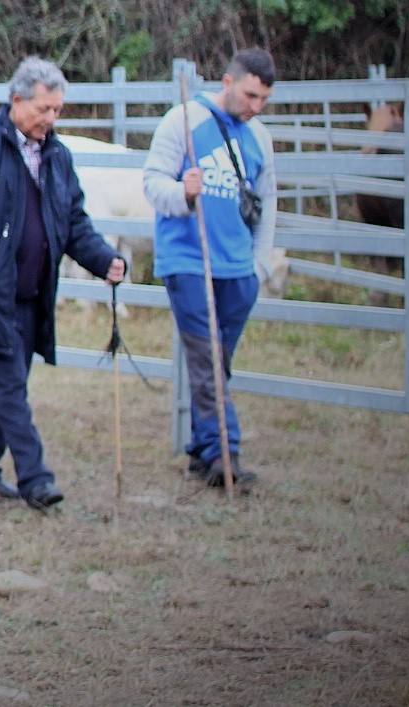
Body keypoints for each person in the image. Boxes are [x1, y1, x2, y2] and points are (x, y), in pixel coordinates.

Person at [0, 57, 125, 511]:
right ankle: (36, 479)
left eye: (57, 110)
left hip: (30, 297)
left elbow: (73, 221)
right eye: (44, 109)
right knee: (9, 384)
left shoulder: (57, 155)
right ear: (16, 100)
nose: (51, 119)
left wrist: (104, 260)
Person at [143, 48, 277, 492]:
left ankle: (204, 450)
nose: (255, 107)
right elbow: (153, 183)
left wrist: (257, 265)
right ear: (227, 82)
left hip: (238, 267)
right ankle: (226, 452)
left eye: (263, 100)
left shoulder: (259, 136)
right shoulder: (182, 121)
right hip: (189, 260)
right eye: (250, 95)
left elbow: (266, 202)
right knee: (206, 360)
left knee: (218, 363)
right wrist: (184, 192)